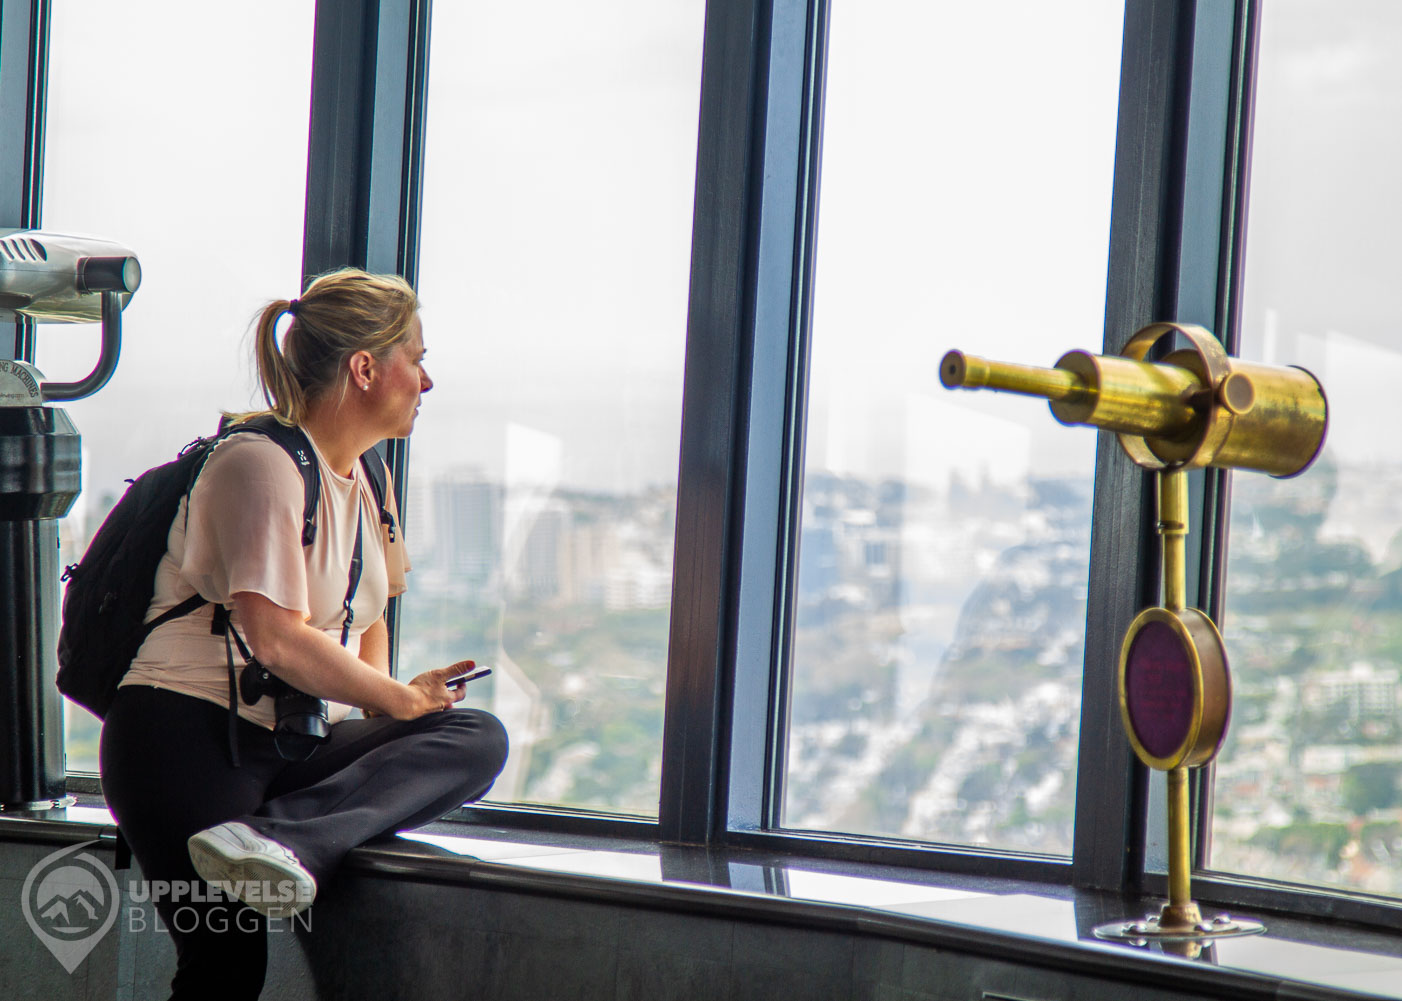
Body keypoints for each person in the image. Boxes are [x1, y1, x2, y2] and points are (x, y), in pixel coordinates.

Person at [98, 268, 508, 1000]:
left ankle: (286, 838)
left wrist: (385, 705)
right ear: (365, 368)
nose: (427, 380)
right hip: (183, 737)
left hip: (290, 743)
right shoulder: (257, 463)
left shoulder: (368, 477)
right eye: (416, 358)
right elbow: (276, 637)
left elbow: (373, 611)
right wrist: (393, 696)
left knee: (476, 736)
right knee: (224, 971)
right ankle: (275, 838)